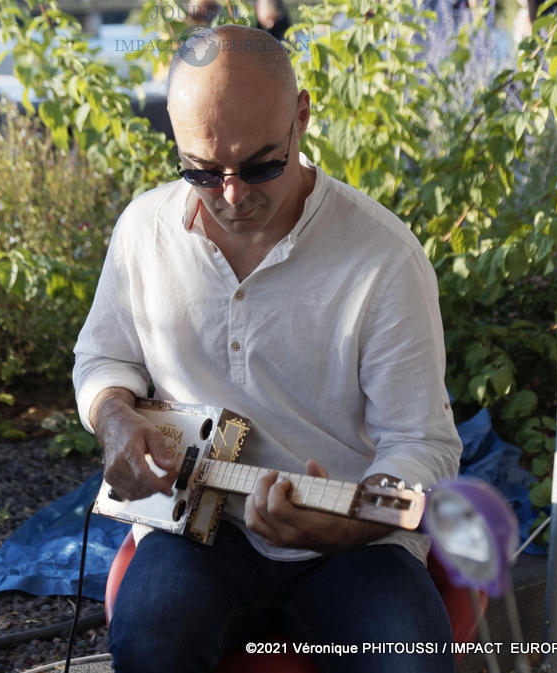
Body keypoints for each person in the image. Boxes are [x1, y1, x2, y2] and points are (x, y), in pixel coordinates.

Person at [73, 24, 462, 673]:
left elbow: (425, 447)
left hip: (355, 543)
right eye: (202, 170)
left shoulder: (384, 258)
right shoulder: (145, 230)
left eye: (261, 165)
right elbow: (103, 358)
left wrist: (351, 522)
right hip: (198, 528)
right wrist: (114, 417)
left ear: (301, 117)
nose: (232, 196)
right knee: (150, 647)